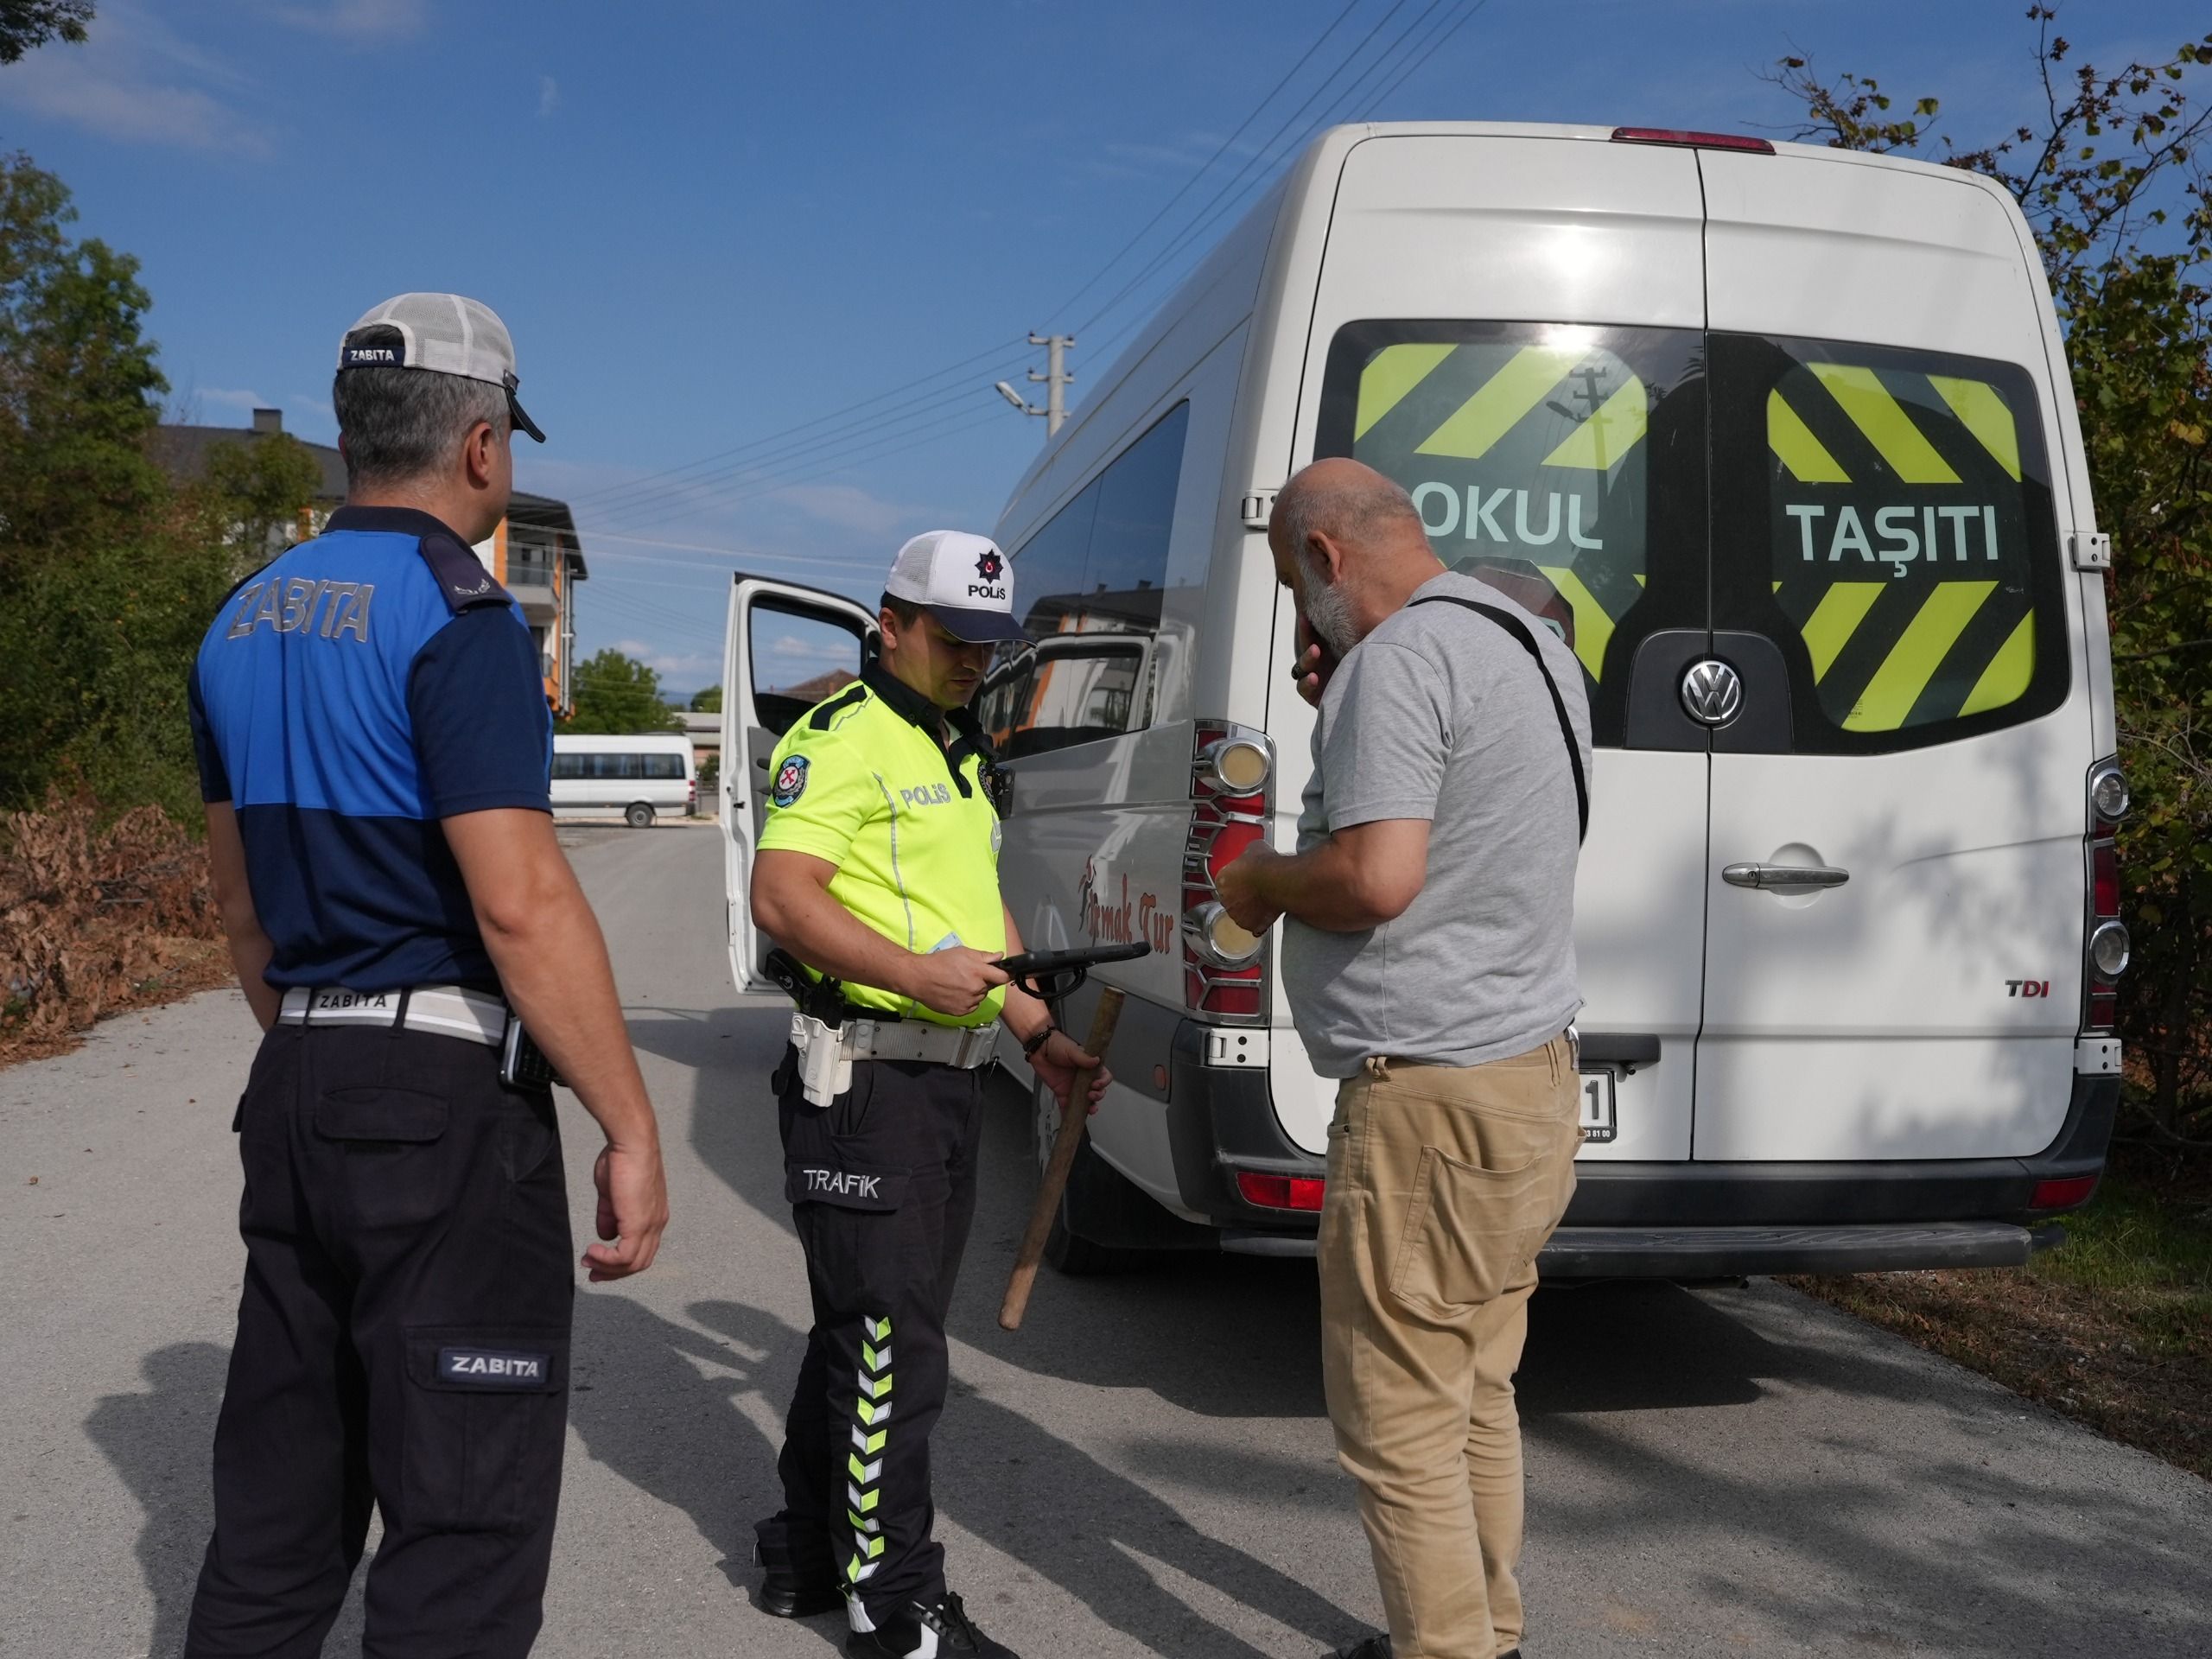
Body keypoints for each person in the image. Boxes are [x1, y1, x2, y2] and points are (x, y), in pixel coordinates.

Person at [183, 293, 670, 1657]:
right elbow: (519, 906)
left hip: (295, 1081)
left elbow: (238, 915)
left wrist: (327, 1046)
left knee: (275, 1529)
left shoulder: (239, 619)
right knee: (458, 1530)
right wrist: (630, 1126)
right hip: (441, 1099)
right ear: (478, 444)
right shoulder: (460, 619)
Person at [1214, 458, 1593, 1659]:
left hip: (1429, 1102)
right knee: (1475, 1390)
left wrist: (1261, 883)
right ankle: (1488, 1630)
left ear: (1326, 557)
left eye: (1291, 584)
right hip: (1527, 1081)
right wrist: (1345, 712)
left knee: (1398, 1423)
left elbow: (1378, 880)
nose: (1297, 615)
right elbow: (1475, 816)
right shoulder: (1526, 640)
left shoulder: (1402, 662)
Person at [747, 530, 1112, 1659]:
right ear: (891, 623)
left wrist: (1035, 1030)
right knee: (893, 1353)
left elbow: (974, 904)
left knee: (865, 1335)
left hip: (943, 1079)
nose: (972, 662)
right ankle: (894, 1605)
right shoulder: (840, 739)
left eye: (989, 646)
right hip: (866, 1075)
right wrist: (911, 975)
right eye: (954, 640)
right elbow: (780, 894)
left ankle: (808, 1548)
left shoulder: (957, 742)